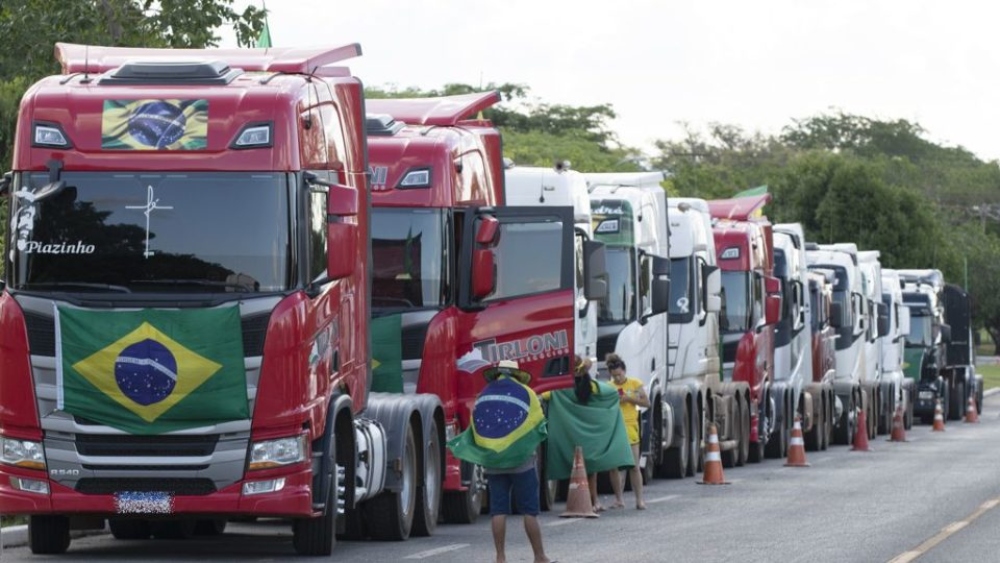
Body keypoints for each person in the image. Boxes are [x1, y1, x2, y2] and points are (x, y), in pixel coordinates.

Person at [446, 359, 554, 563]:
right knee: (529, 511)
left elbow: (476, 426)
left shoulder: (484, 394)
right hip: (522, 461)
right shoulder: (527, 392)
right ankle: (539, 556)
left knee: (498, 510)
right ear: (515, 374)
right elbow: (539, 424)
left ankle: (500, 557)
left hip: (494, 461)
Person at [542, 355, 633, 512]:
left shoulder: (561, 391)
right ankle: (595, 501)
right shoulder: (595, 388)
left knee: (582, 470)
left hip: (572, 439)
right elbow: (612, 394)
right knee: (592, 471)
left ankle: (590, 501)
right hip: (592, 441)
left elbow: (544, 396)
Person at [606, 353, 650, 510]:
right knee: (614, 466)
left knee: (634, 466)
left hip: (631, 427)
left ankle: (639, 500)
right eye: (614, 376)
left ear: (624, 371)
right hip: (615, 428)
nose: (617, 379)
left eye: (619, 374)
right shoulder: (609, 387)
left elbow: (647, 403)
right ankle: (619, 499)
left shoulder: (635, 384)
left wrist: (630, 399)